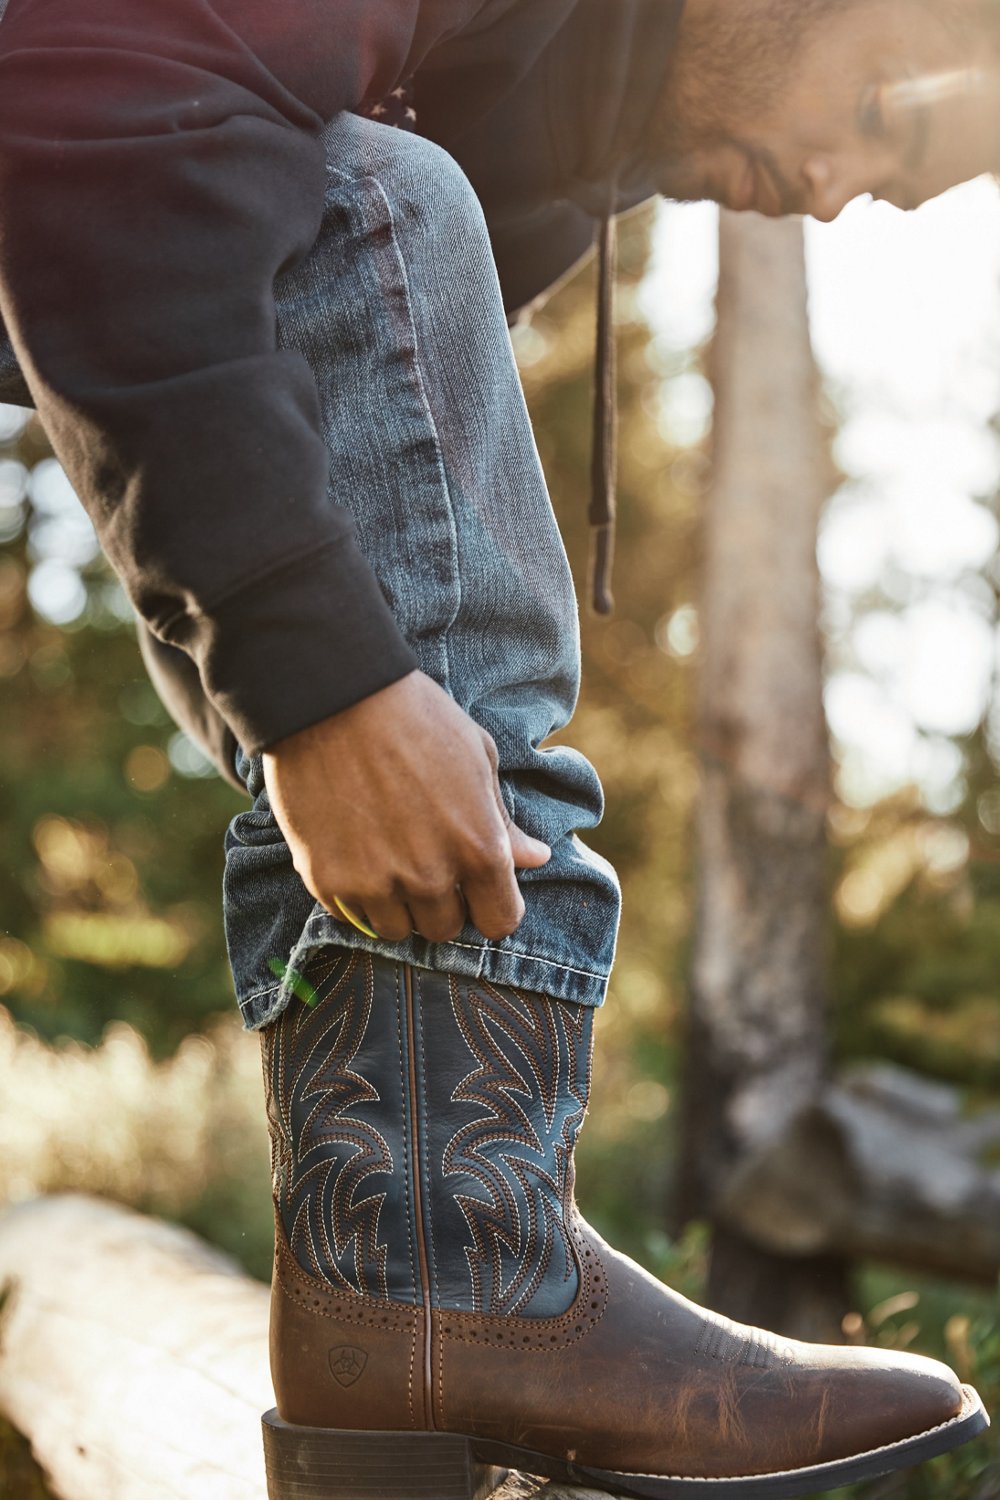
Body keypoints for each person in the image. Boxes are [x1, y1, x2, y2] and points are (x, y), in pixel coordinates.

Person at [0, 1, 994, 1495]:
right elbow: (93, 99)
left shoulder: (556, 134)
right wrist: (320, 687)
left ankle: (412, 1289)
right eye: (881, 110)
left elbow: (266, 379)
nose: (842, 190)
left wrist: (304, 703)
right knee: (385, 202)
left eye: (899, 188)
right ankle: (444, 1277)